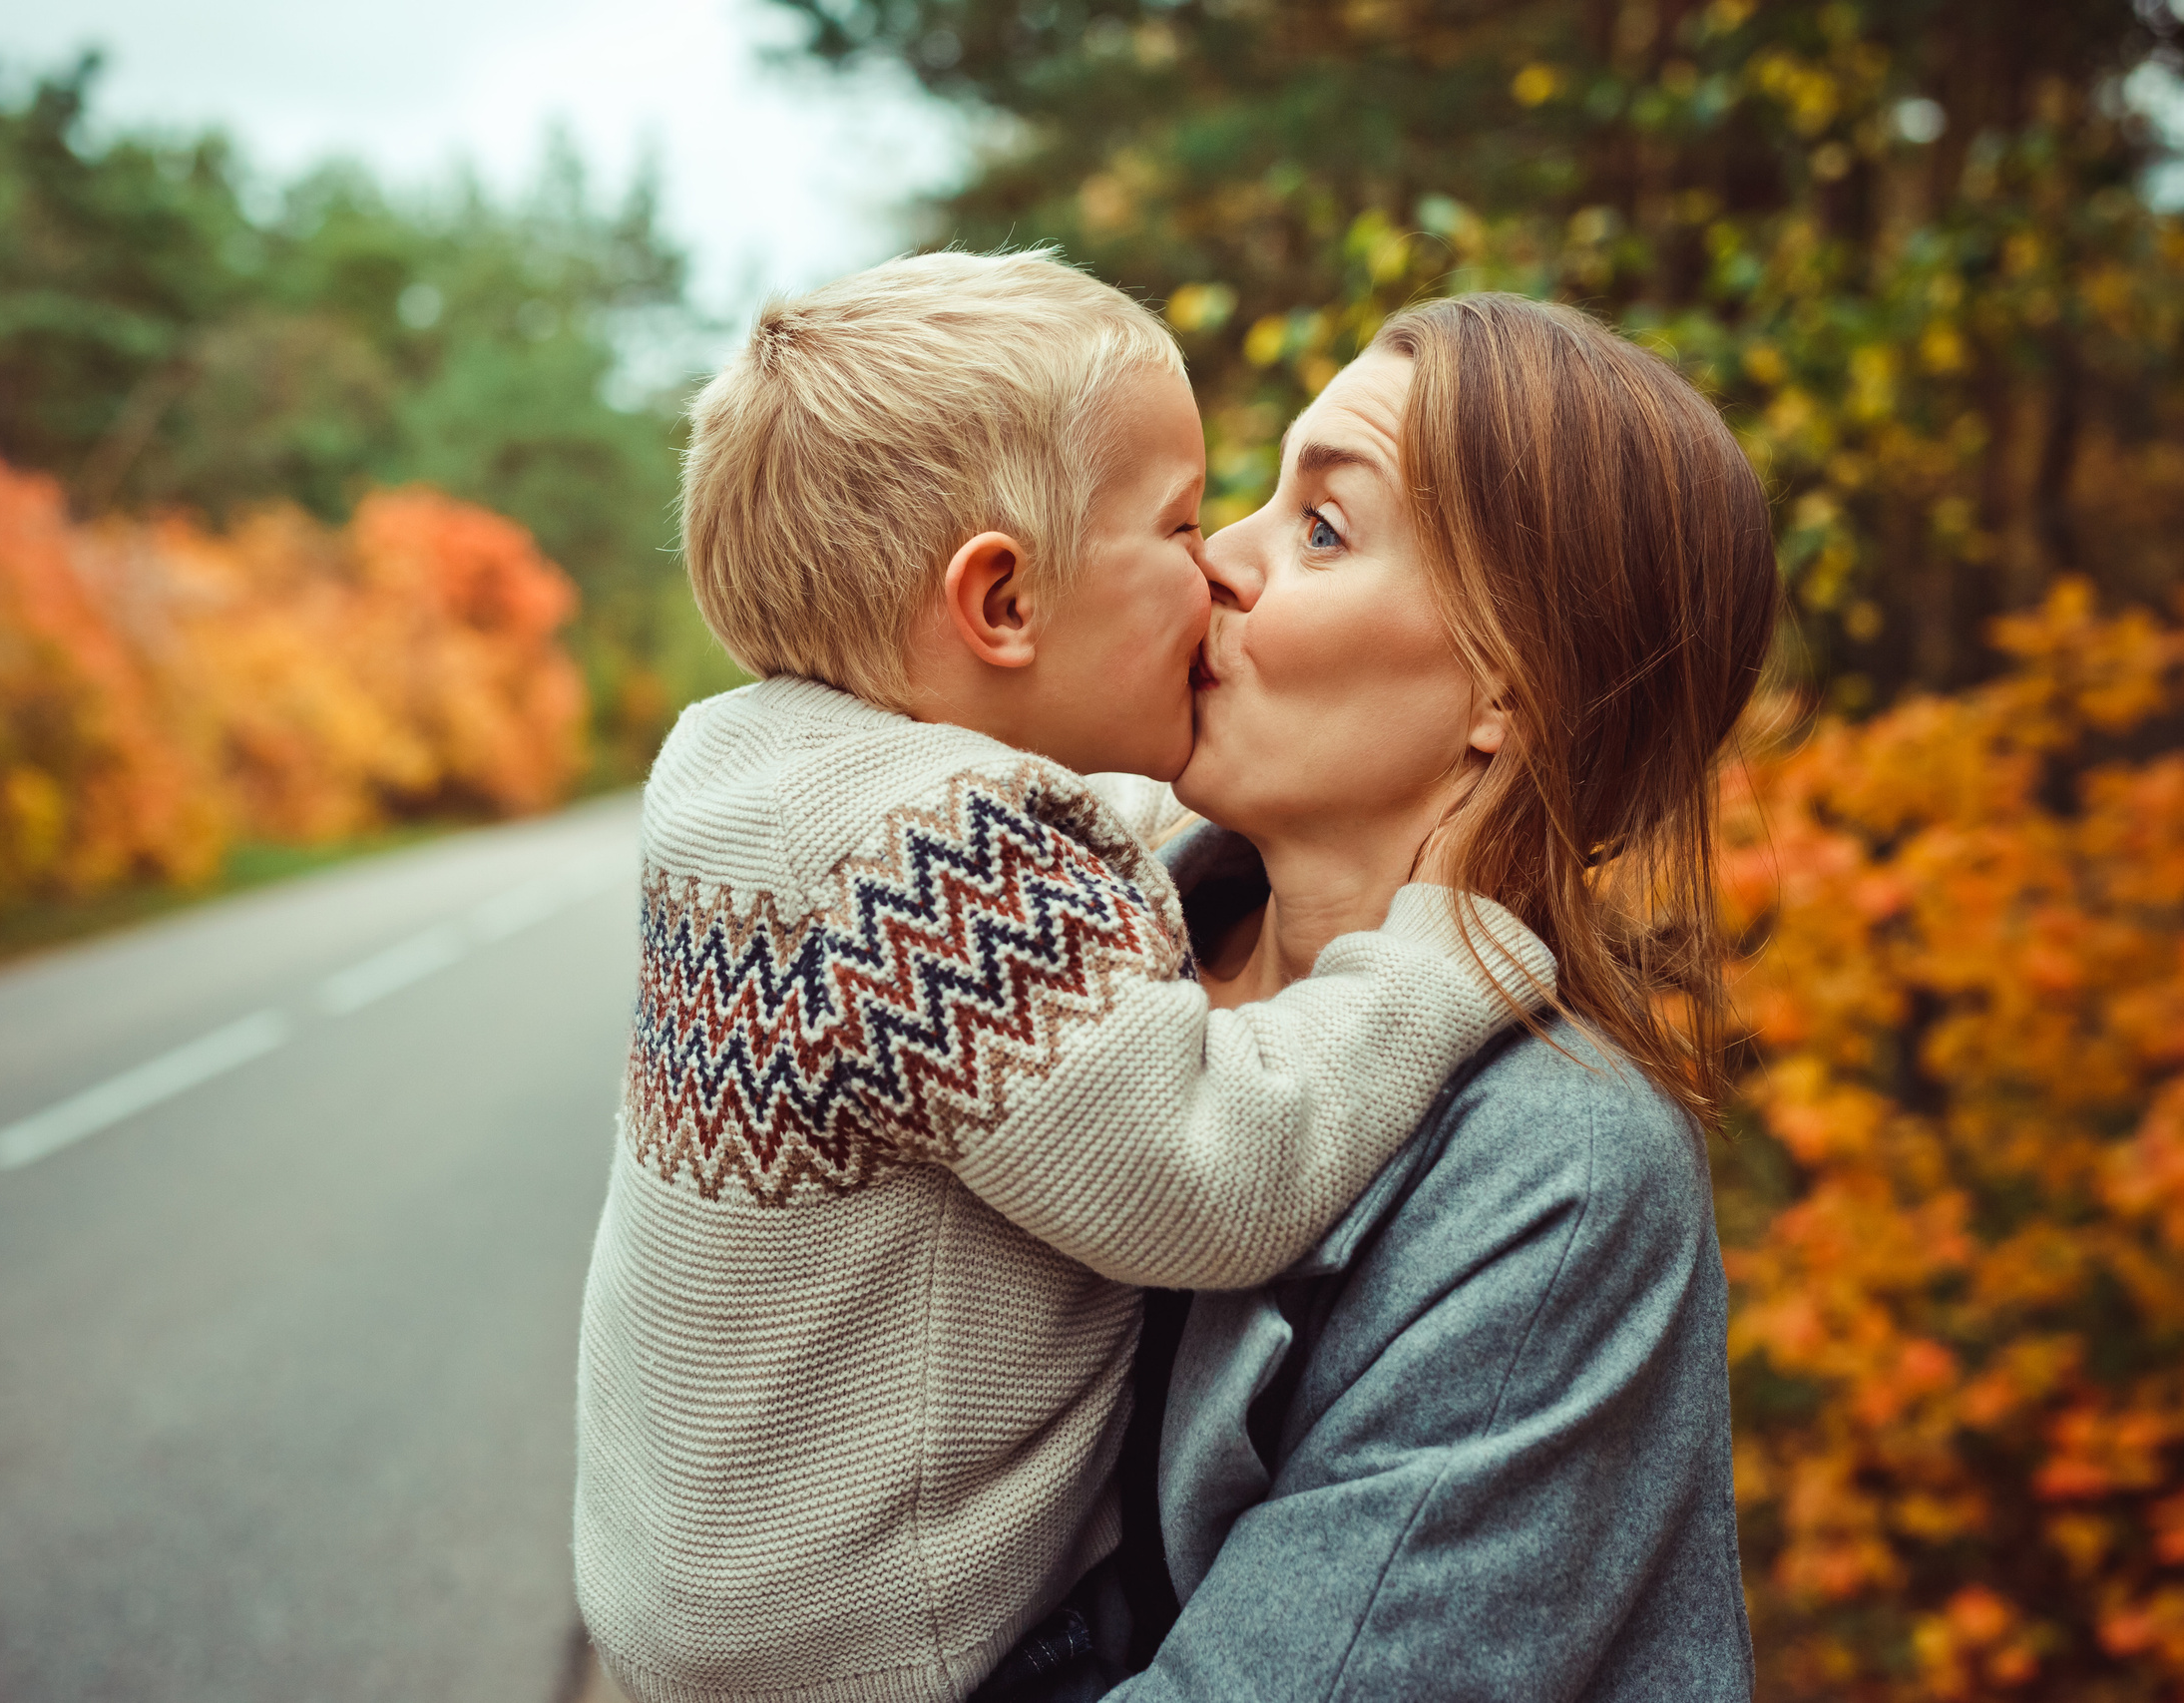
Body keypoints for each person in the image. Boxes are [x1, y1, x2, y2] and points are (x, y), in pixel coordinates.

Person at [571, 251, 1553, 1703]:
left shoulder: (762, 776)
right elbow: (1212, 1178)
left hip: (692, 1594)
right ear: (1005, 601)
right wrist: (1438, 956)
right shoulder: (938, 874)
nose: (1218, 556)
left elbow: (1072, 853)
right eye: (1176, 519)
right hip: (892, 1645)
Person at [1089, 294, 1778, 1700]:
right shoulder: (1087, 965)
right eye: (1258, 502)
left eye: (1321, 529)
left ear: (1507, 695)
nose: (1218, 560)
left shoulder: (1560, 1172)